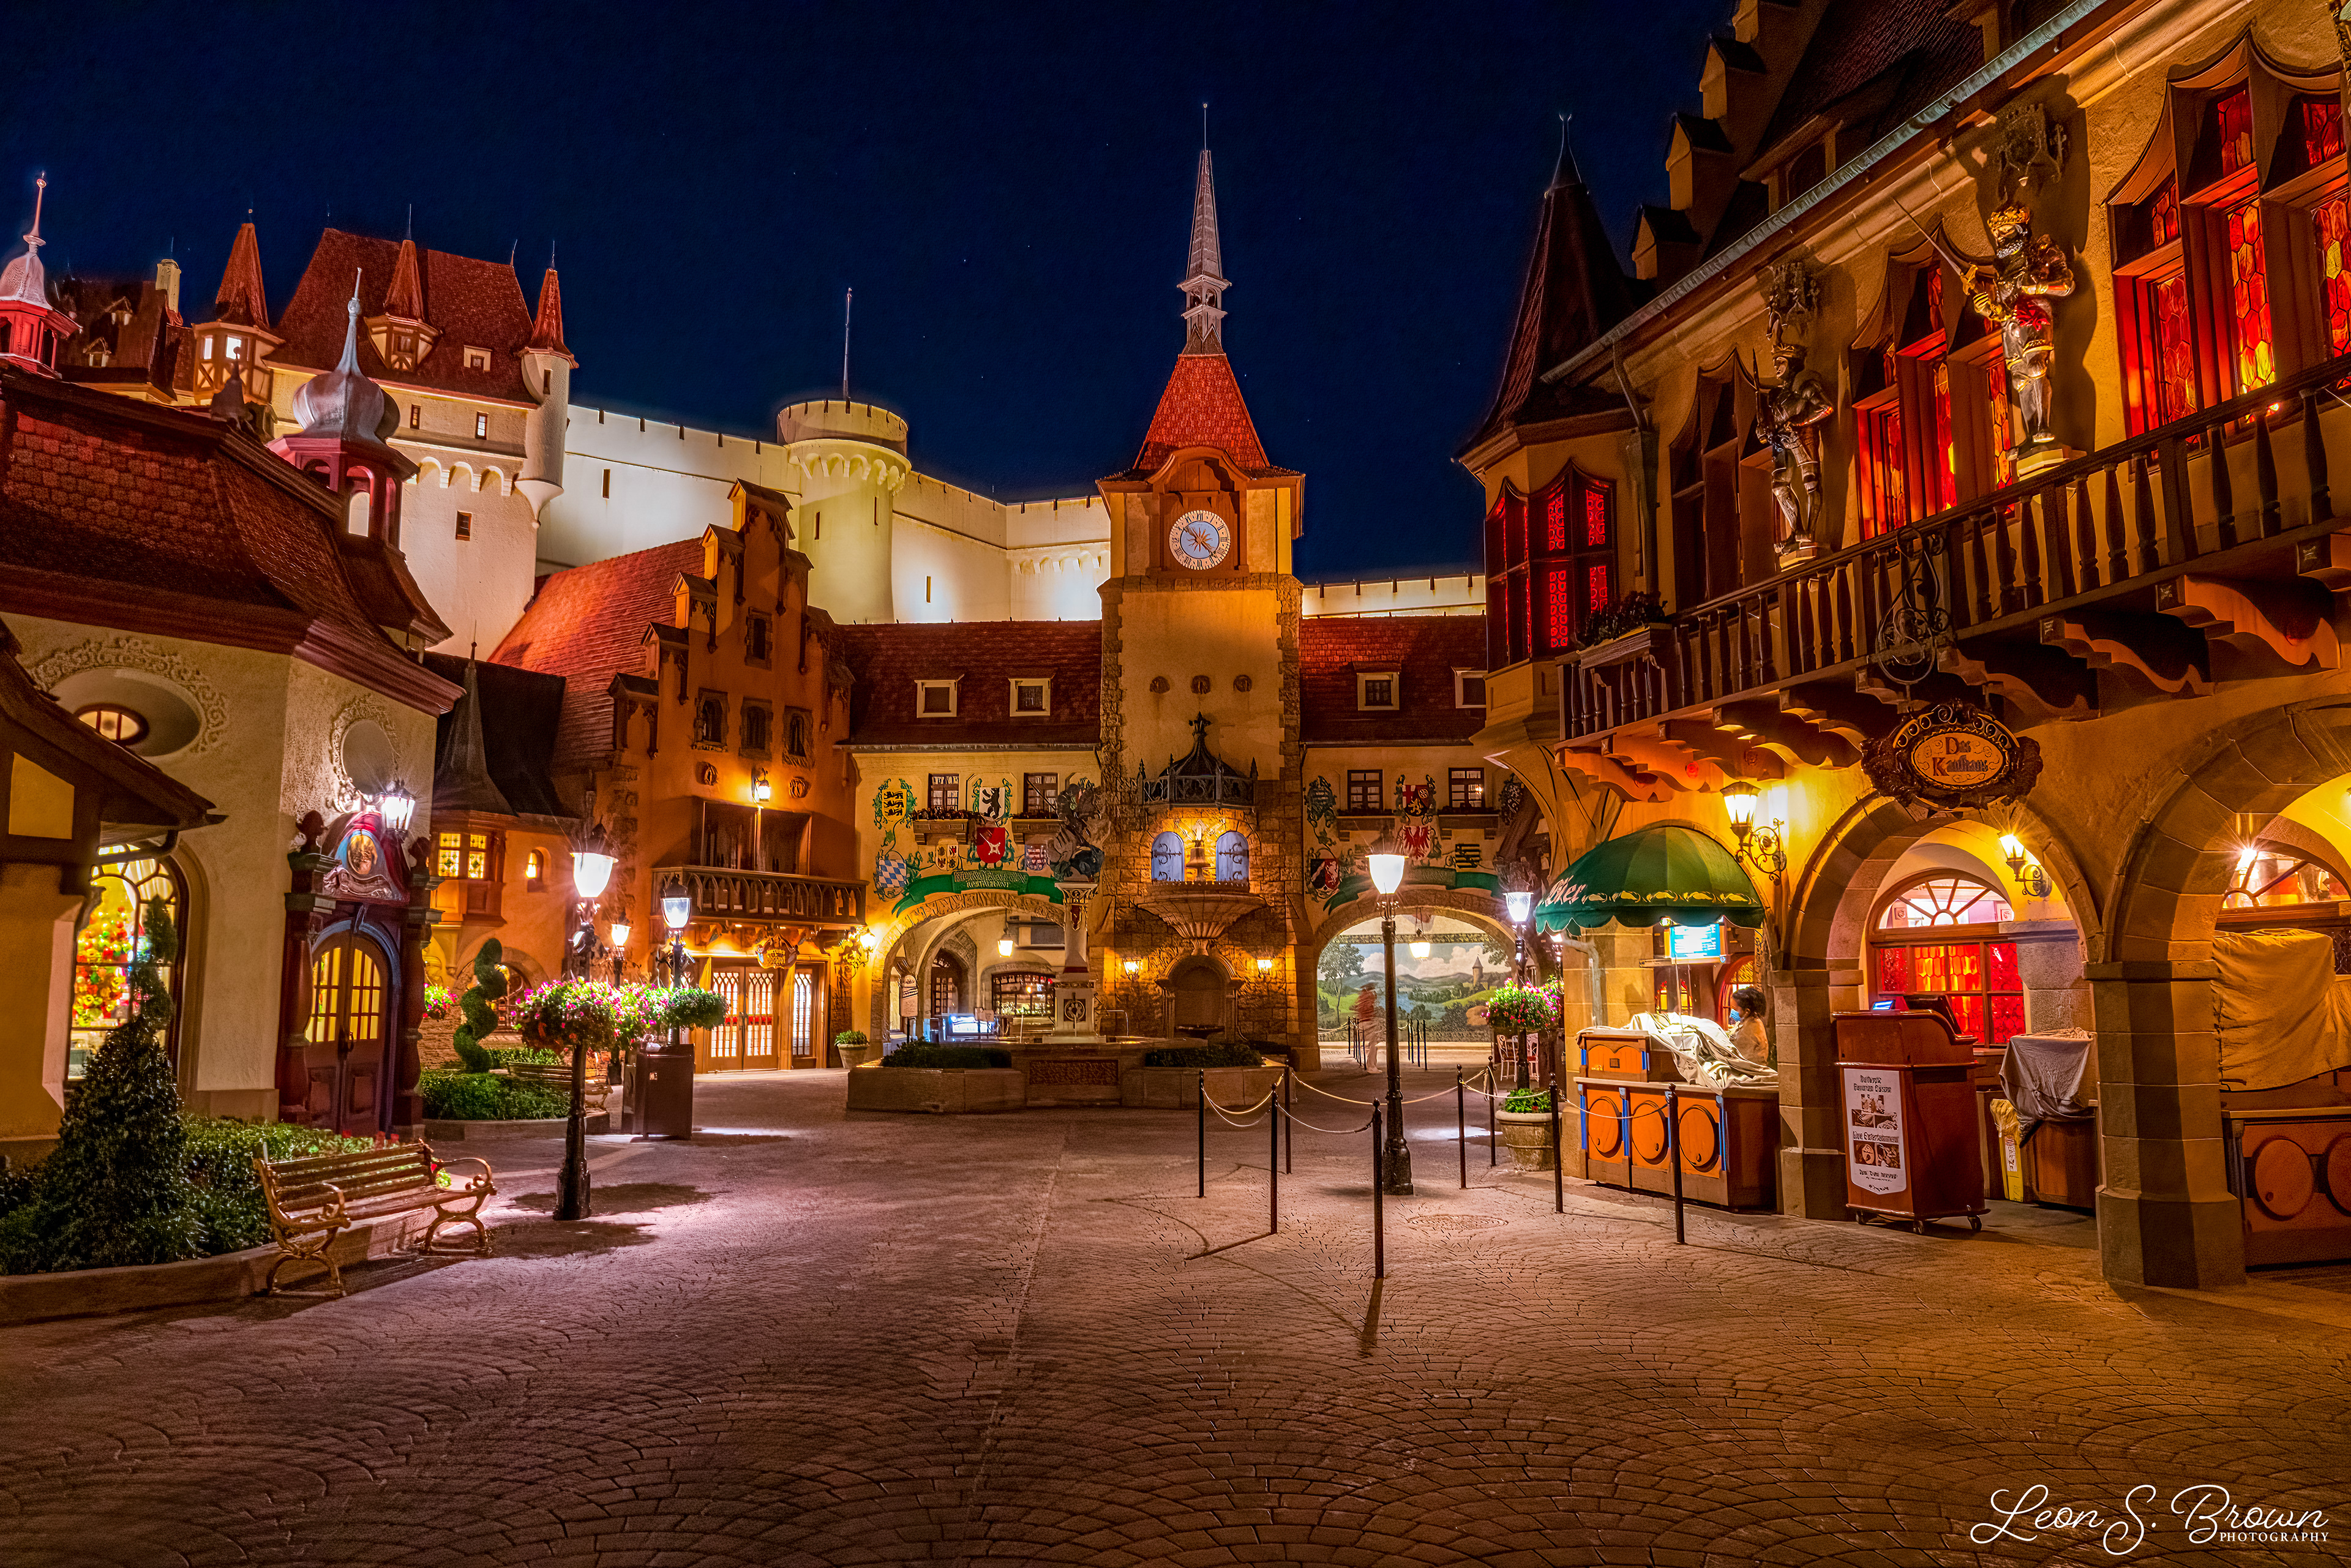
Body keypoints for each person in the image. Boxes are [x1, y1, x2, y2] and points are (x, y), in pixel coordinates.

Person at [1728, 985, 1773, 1070]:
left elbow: (1739, 1054)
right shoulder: (1752, 1021)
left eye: (1735, 1009)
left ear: (1747, 1011)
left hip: (1751, 1069)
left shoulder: (1752, 1026)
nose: (1733, 1012)